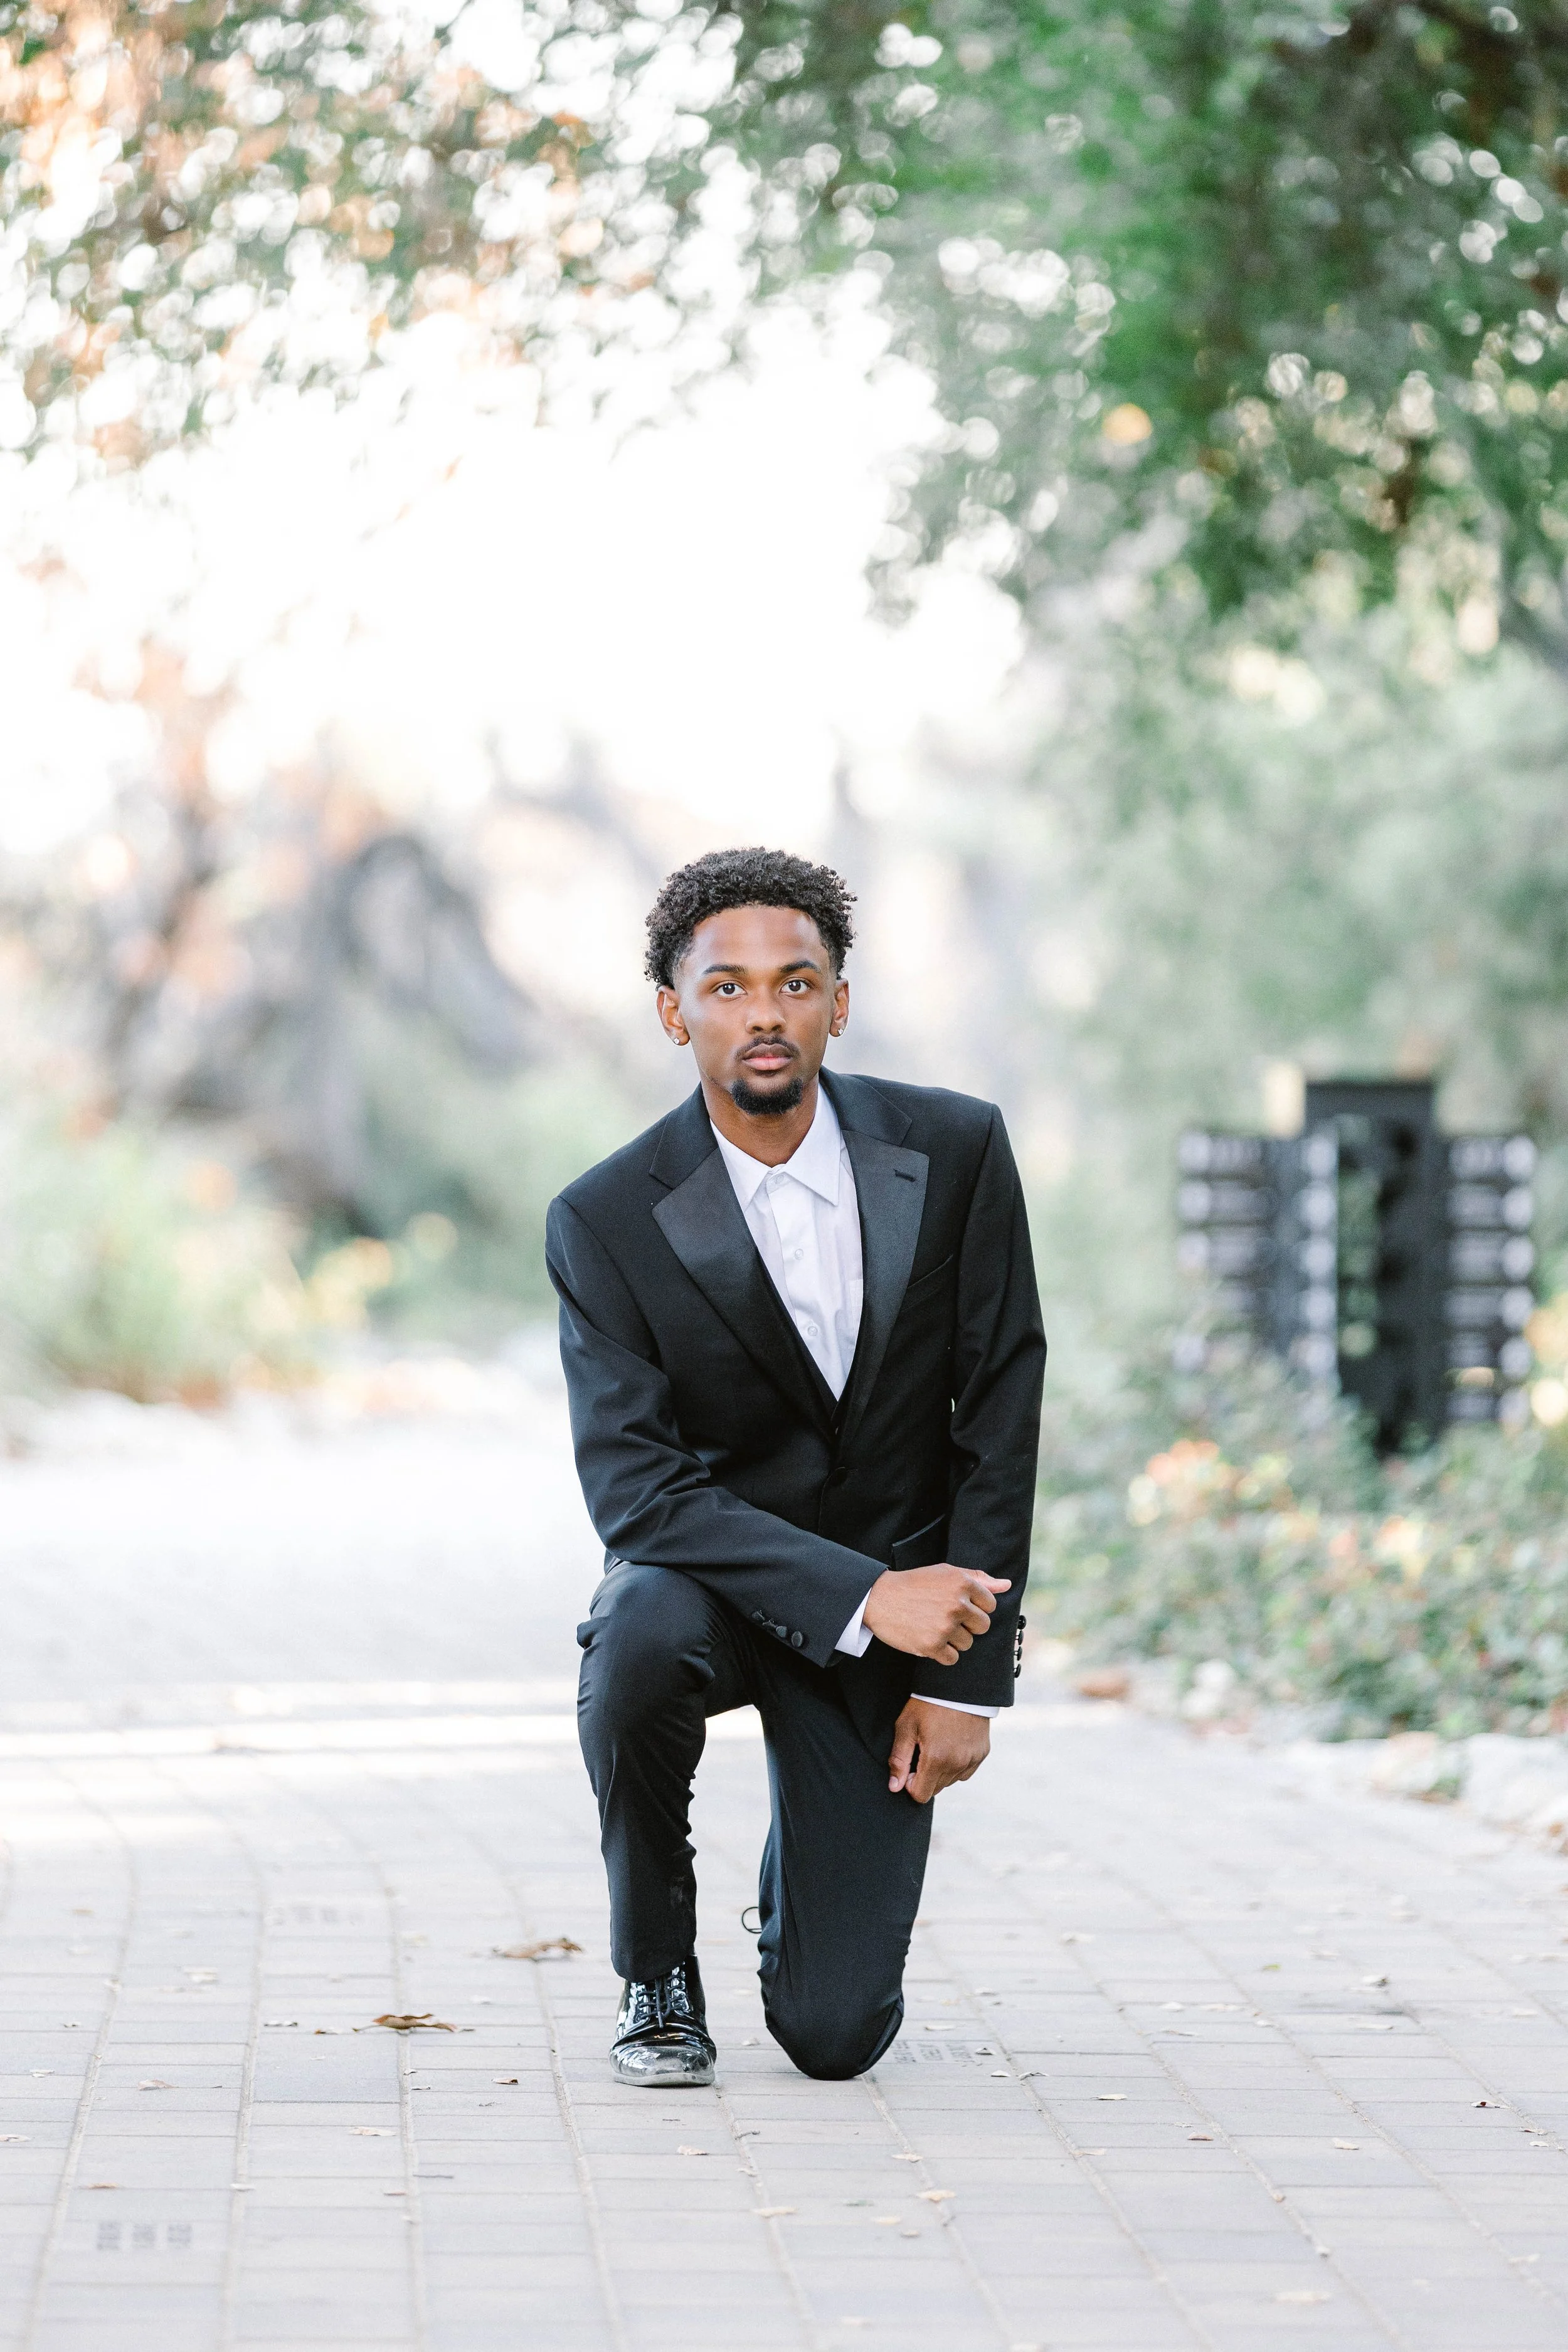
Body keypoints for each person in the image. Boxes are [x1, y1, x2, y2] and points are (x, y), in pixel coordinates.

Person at [546, 847, 1046, 2085]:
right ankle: (655, 1973)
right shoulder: (603, 1220)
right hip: (710, 1591)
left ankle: (802, 1899)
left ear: (837, 1000)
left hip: (898, 1624)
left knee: (831, 2040)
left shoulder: (957, 1152)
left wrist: (969, 1679)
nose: (760, 1013)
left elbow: (999, 1406)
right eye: (724, 988)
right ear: (673, 1011)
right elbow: (637, 1495)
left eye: (793, 981)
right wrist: (863, 1592)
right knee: (634, 1639)